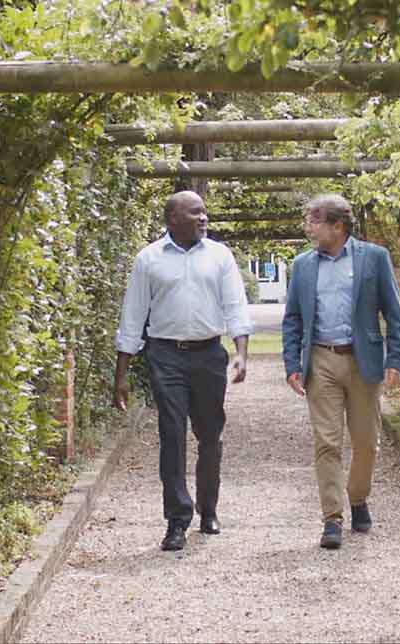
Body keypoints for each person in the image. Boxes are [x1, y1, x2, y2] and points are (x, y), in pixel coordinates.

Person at [113, 190, 252, 552]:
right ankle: (177, 519)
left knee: (210, 435)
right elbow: (133, 316)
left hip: (208, 355)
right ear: (173, 219)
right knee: (172, 434)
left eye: (204, 212)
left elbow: (235, 305)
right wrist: (122, 374)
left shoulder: (220, 256)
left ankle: (209, 509)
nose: (203, 218)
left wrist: (241, 353)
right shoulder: (149, 259)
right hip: (166, 355)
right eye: (195, 213)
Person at [281, 193, 400, 549]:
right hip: (321, 360)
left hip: (363, 360)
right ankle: (332, 518)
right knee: (327, 442)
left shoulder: (374, 258)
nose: (309, 228)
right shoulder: (303, 265)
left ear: (337, 226)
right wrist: (292, 362)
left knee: (367, 442)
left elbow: (394, 314)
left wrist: (396, 359)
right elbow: (292, 318)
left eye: (315, 221)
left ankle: (358, 497)